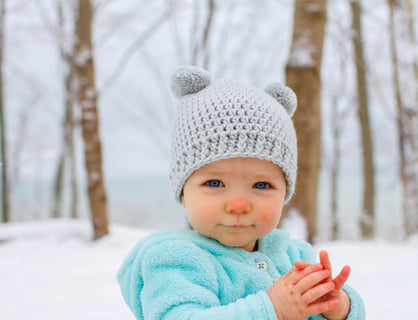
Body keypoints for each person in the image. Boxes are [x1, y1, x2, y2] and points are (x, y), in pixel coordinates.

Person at [117, 66, 365, 320]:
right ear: (183, 191)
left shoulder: (294, 256)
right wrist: (272, 309)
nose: (238, 204)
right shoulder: (175, 261)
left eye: (261, 185)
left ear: (284, 193)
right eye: (215, 183)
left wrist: (335, 308)